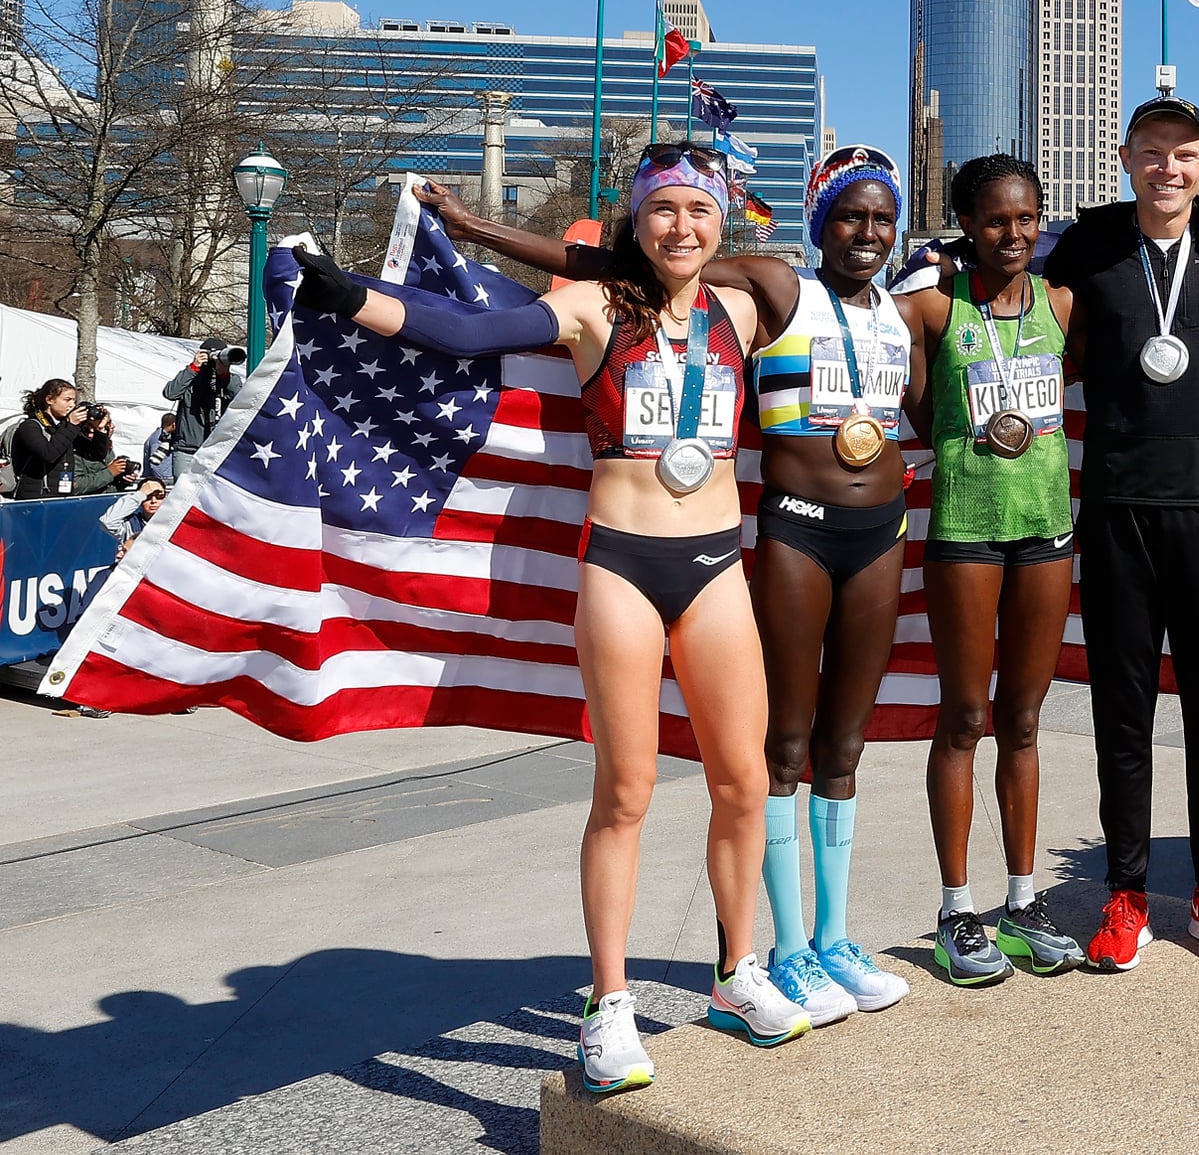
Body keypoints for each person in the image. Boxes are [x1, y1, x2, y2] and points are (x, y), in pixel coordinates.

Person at [294, 143, 810, 1090]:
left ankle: (737, 972)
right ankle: (607, 1003)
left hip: (716, 565)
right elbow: (461, 329)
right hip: (622, 564)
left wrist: (576, 240)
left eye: (700, 209)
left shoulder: (745, 305)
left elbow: (767, 271)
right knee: (627, 790)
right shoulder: (591, 308)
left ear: (722, 219)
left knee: (744, 780)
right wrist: (353, 295)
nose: (682, 226)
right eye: (662, 210)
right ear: (633, 220)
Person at [420, 153, 920, 1025]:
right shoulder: (766, 286)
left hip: (874, 533)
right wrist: (475, 229)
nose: (868, 232)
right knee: (761, 757)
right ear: (816, 220)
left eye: (884, 218)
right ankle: (778, 951)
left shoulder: (911, 307)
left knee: (839, 747)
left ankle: (828, 940)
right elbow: (613, 269)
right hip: (769, 532)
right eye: (849, 216)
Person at [1043, 95, 1199, 971]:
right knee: (1120, 715)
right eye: (1151, 153)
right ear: (1124, 155)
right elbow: (1010, 291)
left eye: (1184, 155)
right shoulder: (1091, 244)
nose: (1167, 169)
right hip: (1117, 510)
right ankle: (1126, 893)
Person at [900, 154, 1084, 986]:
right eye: (996, 220)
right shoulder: (933, 309)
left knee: (1025, 717)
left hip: (1046, 529)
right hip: (967, 529)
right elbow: (913, 407)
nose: (1014, 233)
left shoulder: (1061, 304)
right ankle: (955, 908)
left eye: (1027, 218)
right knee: (965, 715)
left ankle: (1020, 899)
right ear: (967, 225)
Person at [10, 380, 109, 499]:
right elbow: (48, 454)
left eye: (74, 401)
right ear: (49, 400)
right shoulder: (31, 426)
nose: (72, 405)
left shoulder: (63, 427)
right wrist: (71, 425)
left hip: (62, 495)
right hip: (35, 497)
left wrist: (100, 430)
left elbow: (95, 454)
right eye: (67, 400)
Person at [163, 339, 242, 478]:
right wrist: (194, 367)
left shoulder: (230, 380)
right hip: (187, 450)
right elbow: (170, 393)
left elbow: (242, 400)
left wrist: (224, 374)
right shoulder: (190, 377)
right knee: (182, 495)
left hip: (218, 451)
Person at [100, 478, 169, 557]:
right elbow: (108, 522)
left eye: (159, 496)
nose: (153, 501)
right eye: (148, 497)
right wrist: (140, 495)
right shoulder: (130, 524)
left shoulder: (174, 522)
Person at [144, 413, 178, 484]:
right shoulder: (159, 440)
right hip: (163, 480)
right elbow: (155, 464)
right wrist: (163, 481)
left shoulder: (161, 436)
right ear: (174, 424)